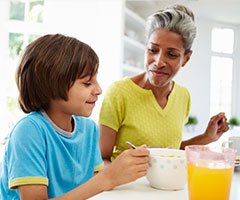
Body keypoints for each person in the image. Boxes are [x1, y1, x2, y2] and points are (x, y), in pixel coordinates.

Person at [0, 34, 149, 199]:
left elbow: (93, 189)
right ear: (52, 84)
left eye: (96, 80)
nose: (98, 89)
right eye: (87, 83)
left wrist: (127, 168)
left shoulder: (89, 128)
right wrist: (108, 178)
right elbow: (100, 182)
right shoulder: (29, 131)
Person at [99, 4, 229, 162]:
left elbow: (170, 152)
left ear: (186, 59)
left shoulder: (183, 96)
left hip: (169, 186)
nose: (159, 62)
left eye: (172, 54)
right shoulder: (119, 92)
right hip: (126, 186)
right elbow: (100, 160)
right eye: (153, 50)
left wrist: (207, 137)